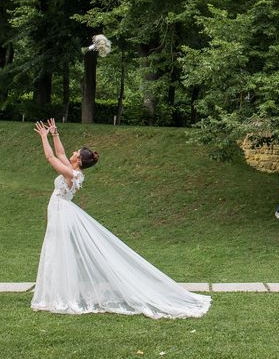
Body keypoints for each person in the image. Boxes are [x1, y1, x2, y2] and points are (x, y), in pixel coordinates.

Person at [31, 119, 211, 319]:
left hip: (60, 211)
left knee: (57, 249)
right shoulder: (75, 172)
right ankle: (56, 294)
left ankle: (57, 296)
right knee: (56, 249)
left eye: (76, 153)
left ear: (79, 161)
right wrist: (55, 134)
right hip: (60, 210)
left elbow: (50, 157)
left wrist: (42, 137)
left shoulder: (70, 174)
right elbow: (61, 154)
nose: (72, 153)